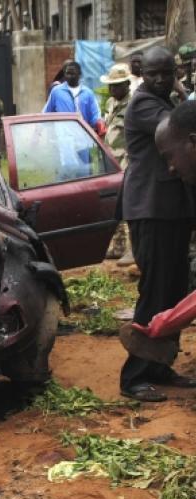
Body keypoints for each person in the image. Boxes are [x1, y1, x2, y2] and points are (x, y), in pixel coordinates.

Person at [118, 46, 195, 402]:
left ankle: (159, 366)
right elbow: (181, 121)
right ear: (141, 74)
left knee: (175, 289)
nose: (161, 80)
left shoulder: (160, 97)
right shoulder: (144, 104)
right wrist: (182, 90)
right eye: (153, 74)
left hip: (173, 210)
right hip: (151, 209)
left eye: (168, 73)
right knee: (155, 290)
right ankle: (133, 376)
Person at [100, 63, 134, 266]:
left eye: (116, 86)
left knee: (129, 204)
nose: (112, 90)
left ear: (127, 85)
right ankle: (118, 246)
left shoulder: (133, 105)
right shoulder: (112, 103)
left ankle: (132, 249)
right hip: (112, 161)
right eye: (111, 86)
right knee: (116, 203)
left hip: (127, 162)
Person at [43, 61, 105, 135]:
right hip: (63, 138)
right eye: (68, 73)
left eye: (73, 74)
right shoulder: (56, 92)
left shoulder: (88, 93)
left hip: (84, 138)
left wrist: (99, 123)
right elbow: (46, 114)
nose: (70, 76)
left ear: (79, 74)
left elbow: (95, 116)